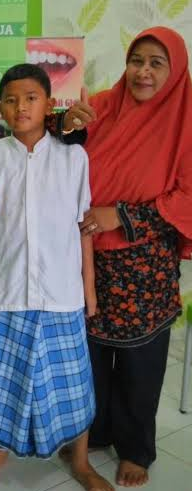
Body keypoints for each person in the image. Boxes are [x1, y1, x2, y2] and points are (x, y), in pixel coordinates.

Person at [0, 63, 113, 491]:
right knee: (3, 384)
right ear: (0, 108)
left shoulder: (73, 157)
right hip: (8, 291)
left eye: (31, 98)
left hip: (60, 292)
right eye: (11, 100)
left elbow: (82, 226)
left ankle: (81, 462)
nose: (21, 107)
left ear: (49, 104)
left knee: (73, 385)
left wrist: (88, 289)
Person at [60, 26, 192, 487]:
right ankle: (95, 432)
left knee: (140, 364)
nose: (143, 72)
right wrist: (68, 126)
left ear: (175, 70)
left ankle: (136, 449)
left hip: (145, 264)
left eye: (156, 63)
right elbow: (66, 155)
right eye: (137, 60)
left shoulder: (186, 121)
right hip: (89, 256)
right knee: (91, 354)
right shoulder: (102, 105)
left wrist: (120, 215)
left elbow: (187, 198)